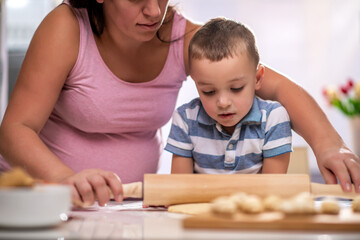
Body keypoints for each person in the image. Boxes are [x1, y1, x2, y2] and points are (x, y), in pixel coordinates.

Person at [0, 0, 359, 207]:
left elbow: (276, 88)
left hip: (124, 209)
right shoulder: (65, 27)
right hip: (43, 202)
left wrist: (329, 145)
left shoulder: (180, 36)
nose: (155, 10)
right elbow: (15, 130)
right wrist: (64, 178)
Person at [166, 18, 292, 174]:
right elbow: (179, 189)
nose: (223, 103)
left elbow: (273, 191)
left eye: (236, 88)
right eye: (209, 91)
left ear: (257, 78)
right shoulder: (185, 119)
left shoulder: (273, 118)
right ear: (196, 83)